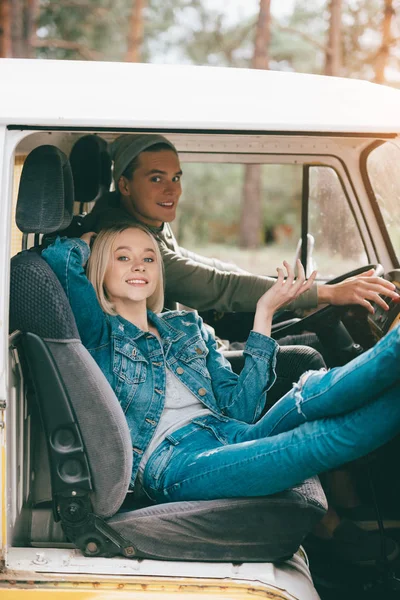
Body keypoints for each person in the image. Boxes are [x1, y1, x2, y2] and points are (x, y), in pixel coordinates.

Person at [42, 224, 400, 564]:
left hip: (228, 432)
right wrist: (87, 241)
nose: (139, 265)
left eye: (149, 258)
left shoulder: (187, 326)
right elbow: (60, 259)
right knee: (315, 441)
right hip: (172, 462)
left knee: (308, 392)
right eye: (122, 257)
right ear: (101, 268)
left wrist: (265, 312)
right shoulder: (99, 333)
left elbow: (241, 410)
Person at [82, 133, 399, 317]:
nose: (172, 190)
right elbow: (218, 286)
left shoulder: (145, 218)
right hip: (168, 367)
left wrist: (299, 291)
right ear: (124, 185)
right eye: (156, 178)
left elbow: (212, 267)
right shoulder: (123, 237)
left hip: (179, 347)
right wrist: (328, 293)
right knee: (307, 357)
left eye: (176, 177)